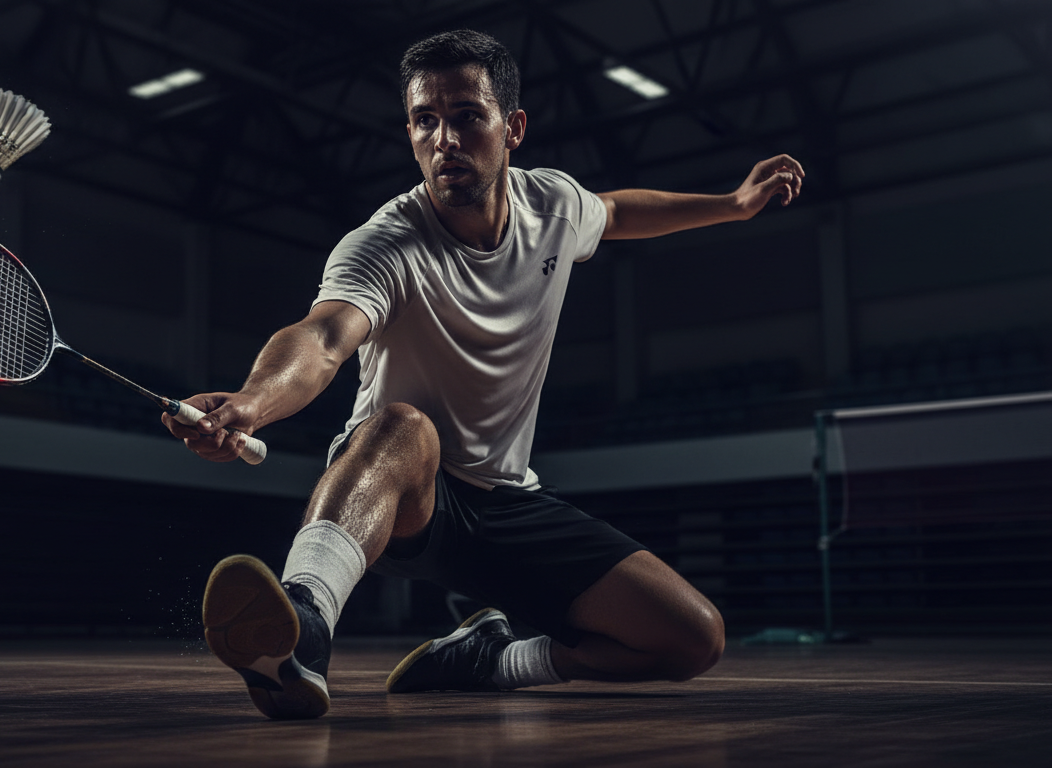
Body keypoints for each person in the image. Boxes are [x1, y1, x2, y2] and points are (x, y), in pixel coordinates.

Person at [163, 29, 804, 720]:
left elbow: (616, 211)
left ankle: (492, 659)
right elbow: (322, 337)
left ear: (513, 127)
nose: (445, 139)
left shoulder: (553, 207)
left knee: (692, 638)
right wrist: (253, 402)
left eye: (467, 115)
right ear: (409, 132)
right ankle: (304, 624)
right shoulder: (386, 243)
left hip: (510, 501)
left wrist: (731, 205)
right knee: (408, 425)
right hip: (404, 489)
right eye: (424, 120)